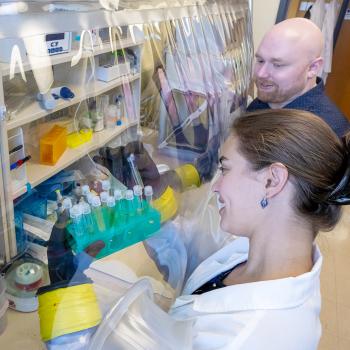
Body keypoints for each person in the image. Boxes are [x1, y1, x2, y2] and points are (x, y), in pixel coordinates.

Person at [167, 109, 350, 349]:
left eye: (225, 169)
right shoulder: (258, 254)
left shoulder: (247, 339)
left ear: (272, 180)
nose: (216, 187)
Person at [247, 17, 349, 137]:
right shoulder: (270, 98)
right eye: (260, 60)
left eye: (277, 65)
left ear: (313, 68)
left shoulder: (324, 133)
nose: (261, 74)